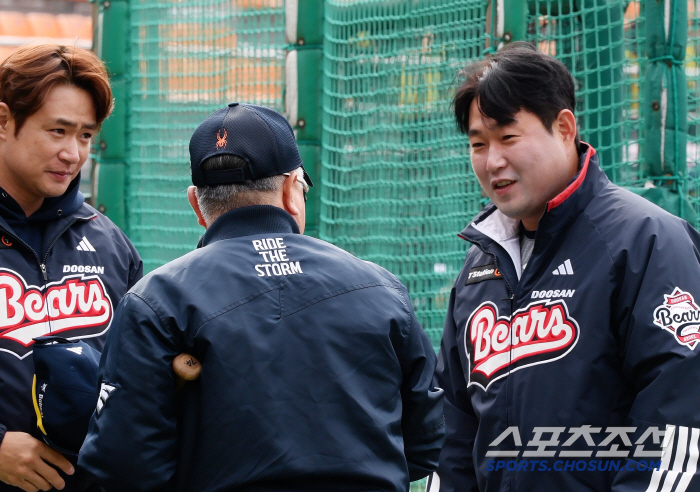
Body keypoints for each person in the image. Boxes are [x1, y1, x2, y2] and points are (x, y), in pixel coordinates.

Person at [78, 102, 445, 492]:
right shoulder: (379, 286)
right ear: (291, 190)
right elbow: (426, 442)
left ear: (196, 205)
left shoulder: (157, 299)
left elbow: (122, 466)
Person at [430, 42, 700, 492]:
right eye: (478, 144)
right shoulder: (480, 263)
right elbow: (455, 432)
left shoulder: (647, 241)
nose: (492, 160)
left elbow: (680, 413)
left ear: (564, 127)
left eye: (508, 137)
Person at [0, 44, 142, 492]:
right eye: (57, 131)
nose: (73, 154)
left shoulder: (110, 243)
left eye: (84, 135)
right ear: (3, 122)